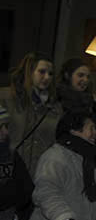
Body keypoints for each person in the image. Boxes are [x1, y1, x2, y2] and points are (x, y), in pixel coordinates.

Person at [0, 52, 62, 192]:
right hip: (8, 173)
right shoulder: (7, 97)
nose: (46, 77)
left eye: (50, 74)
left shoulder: (55, 107)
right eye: (42, 72)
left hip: (37, 176)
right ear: (30, 72)